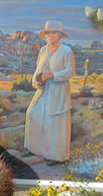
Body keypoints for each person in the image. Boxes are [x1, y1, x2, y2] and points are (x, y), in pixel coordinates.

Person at [21, 20, 75, 165]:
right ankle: (33, 148)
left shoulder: (66, 51)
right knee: (32, 113)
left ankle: (57, 156)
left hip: (59, 91)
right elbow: (38, 70)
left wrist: (53, 75)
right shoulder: (43, 50)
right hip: (43, 89)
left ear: (59, 35)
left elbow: (70, 71)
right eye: (48, 33)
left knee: (55, 122)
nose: (50, 36)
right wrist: (36, 81)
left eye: (54, 33)